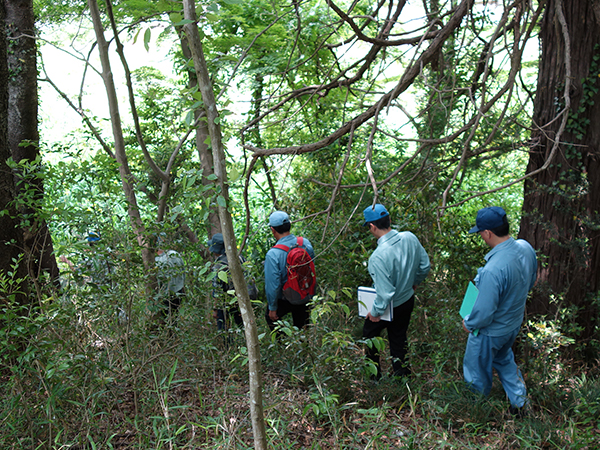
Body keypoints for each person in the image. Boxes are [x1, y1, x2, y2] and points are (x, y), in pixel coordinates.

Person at [462, 206, 537, 416]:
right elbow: (530, 281)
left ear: (487, 233)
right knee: (504, 360)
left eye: (481, 233)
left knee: (475, 371)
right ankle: (520, 404)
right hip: (512, 324)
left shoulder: (492, 270)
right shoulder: (525, 248)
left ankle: (477, 413)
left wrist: (469, 323)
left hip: (490, 332)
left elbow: (484, 312)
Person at [362, 204, 430, 379]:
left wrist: (375, 312)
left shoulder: (378, 257)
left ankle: (374, 378)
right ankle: (402, 377)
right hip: (407, 300)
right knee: (399, 338)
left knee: (370, 338)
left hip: (387, 306)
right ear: (389, 220)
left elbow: (385, 293)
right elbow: (425, 266)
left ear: (372, 226)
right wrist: (414, 283)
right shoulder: (410, 237)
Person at [264, 211, 315, 330]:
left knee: (270, 317)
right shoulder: (305, 243)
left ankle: (282, 346)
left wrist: (272, 308)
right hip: (304, 292)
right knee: (303, 326)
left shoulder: (273, 254)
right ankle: (303, 345)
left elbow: (273, 285)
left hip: (285, 298)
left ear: (273, 230)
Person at [208, 232, 257, 331]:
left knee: (223, 329)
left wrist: (215, 309)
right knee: (244, 327)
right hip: (242, 299)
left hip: (228, 302)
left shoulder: (218, 266)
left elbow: (217, 291)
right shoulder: (239, 257)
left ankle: (227, 345)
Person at [155, 240, 186, 322]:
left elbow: (159, 281)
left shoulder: (157, 261)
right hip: (178, 292)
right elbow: (183, 273)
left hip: (165, 296)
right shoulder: (175, 254)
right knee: (174, 317)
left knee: (165, 319)